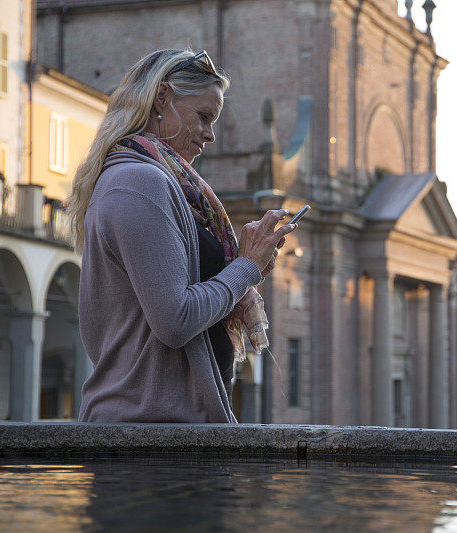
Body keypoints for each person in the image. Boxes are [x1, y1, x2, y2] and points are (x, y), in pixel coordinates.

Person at [66, 49, 296, 422]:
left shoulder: (163, 183)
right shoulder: (139, 182)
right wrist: (245, 267)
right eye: (203, 117)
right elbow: (175, 321)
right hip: (147, 433)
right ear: (162, 99)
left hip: (163, 424)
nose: (211, 135)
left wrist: (249, 265)